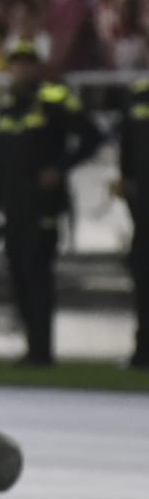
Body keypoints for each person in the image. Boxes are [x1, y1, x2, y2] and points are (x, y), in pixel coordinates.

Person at [0, 41, 105, 366]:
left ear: (38, 66)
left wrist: (60, 169)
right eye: (16, 63)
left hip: (43, 205)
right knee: (20, 276)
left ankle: (42, 351)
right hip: (13, 207)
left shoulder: (55, 98)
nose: (21, 69)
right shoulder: (9, 105)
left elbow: (93, 135)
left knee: (38, 276)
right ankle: (32, 347)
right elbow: (0, 164)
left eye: (27, 62)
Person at [117, 79, 149, 369]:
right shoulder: (137, 97)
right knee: (142, 277)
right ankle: (143, 351)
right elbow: (126, 148)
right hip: (143, 210)